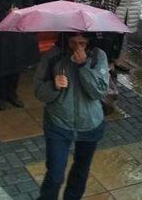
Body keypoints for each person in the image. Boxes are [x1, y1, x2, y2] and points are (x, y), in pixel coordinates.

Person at [34, 32, 109, 200]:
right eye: (73, 42)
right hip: (58, 123)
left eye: (82, 43)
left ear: (89, 42)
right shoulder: (53, 56)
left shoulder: (98, 56)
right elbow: (39, 91)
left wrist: (84, 66)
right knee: (55, 174)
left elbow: (99, 92)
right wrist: (53, 86)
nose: (77, 47)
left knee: (81, 170)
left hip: (90, 124)